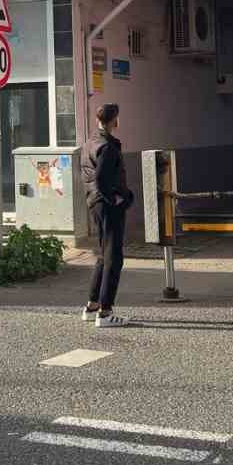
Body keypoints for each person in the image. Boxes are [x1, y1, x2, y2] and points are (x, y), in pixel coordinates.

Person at [81, 102, 133, 328]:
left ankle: (92, 305)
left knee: (104, 254)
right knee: (114, 258)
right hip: (107, 205)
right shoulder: (108, 147)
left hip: (94, 203)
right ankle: (105, 312)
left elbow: (93, 178)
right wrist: (120, 199)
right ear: (114, 121)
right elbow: (102, 179)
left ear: (97, 120)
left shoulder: (90, 142)